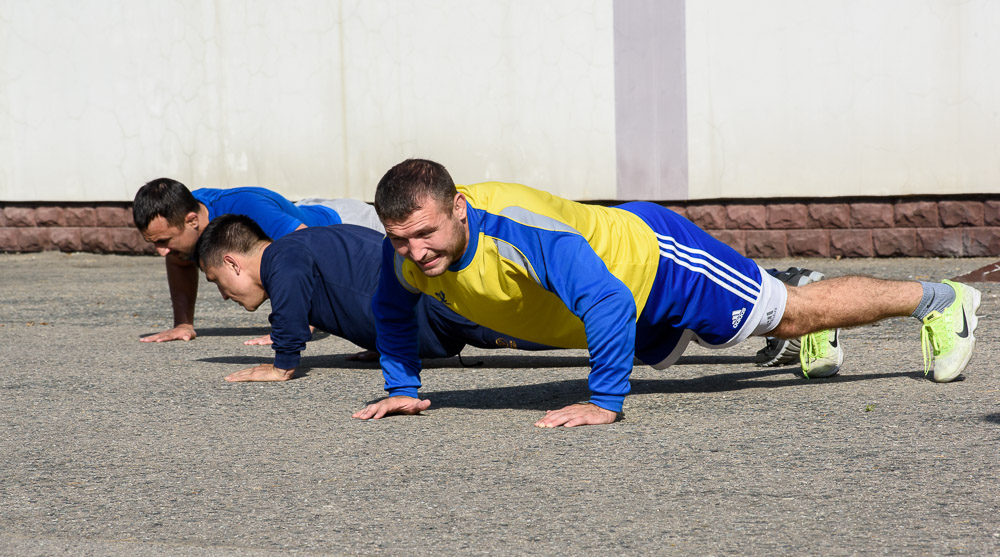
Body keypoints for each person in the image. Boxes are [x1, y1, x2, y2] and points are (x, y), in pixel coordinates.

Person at [353, 158, 981, 428]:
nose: (415, 253)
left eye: (425, 235)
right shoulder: (405, 251)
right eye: (400, 240)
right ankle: (792, 302)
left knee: (791, 317)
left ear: (459, 208)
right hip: (623, 290)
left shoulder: (517, 229)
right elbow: (391, 310)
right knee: (764, 322)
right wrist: (404, 390)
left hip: (658, 262)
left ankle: (939, 299)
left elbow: (606, 302)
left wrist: (604, 402)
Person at [193, 214, 554, 382]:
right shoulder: (309, 242)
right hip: (430, 310)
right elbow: (358, 279)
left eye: (216, 281)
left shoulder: (281, 256)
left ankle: (608, 332)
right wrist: (384, 343)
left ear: (232, 262)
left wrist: (282, 363)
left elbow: (292, 306)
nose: (224, 296)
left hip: (437, 310)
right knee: (542, 322)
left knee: (548, 330)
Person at [132, 178, 383, 344]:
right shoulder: (184, 212)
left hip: (348, 224)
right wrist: (183, 324)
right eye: (153, 243)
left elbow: (306, 252)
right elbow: (180, 261)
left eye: (164, 241)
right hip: (299, 213)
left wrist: (295, 322)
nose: (161, 251)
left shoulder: (248, 207)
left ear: (192, 221)